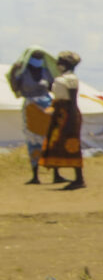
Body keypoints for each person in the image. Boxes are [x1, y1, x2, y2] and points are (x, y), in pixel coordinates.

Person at [7, 46, 57, 184]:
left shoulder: (46, 72)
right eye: (36, 57)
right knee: (33, 140)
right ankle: (35, 175)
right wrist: (13, 72)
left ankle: (56, 173)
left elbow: (54, 87)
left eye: (40, 58)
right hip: (31, 108)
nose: (38, 60)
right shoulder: (22, 74)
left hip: (47, 106)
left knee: (51, 139)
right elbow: (15, 88)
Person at [41, 51, 87, 189]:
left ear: (66, 64)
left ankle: (79, 179)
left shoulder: (71, 79)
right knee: (54, 142)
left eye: (60, 62)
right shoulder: (61, 78)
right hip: (59, 113)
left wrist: (71, 120)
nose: (57, 64)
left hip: (68, 114)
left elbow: (72, 101)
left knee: (71, 144)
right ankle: (56, 174)